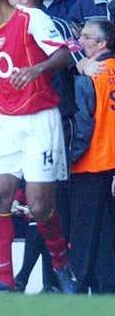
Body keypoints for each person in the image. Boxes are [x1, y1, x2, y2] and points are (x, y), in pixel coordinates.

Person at [0, 0, 76, 293]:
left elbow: (66, 53)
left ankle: (61, 262)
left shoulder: (32, 18)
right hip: (5, 122)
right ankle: (3, 282)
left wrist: (37, 69)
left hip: (39, 121)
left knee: (40, 206)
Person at [70, 18, 115, 294]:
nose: (81, 41)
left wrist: (68, 159)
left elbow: (81, 127)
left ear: (102, 44)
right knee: (108, 236)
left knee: (84, 235)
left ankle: (78, 288)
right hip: (111, 167)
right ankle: (106, 290)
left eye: (87, 37)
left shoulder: (89, 76)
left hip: (89, 164)